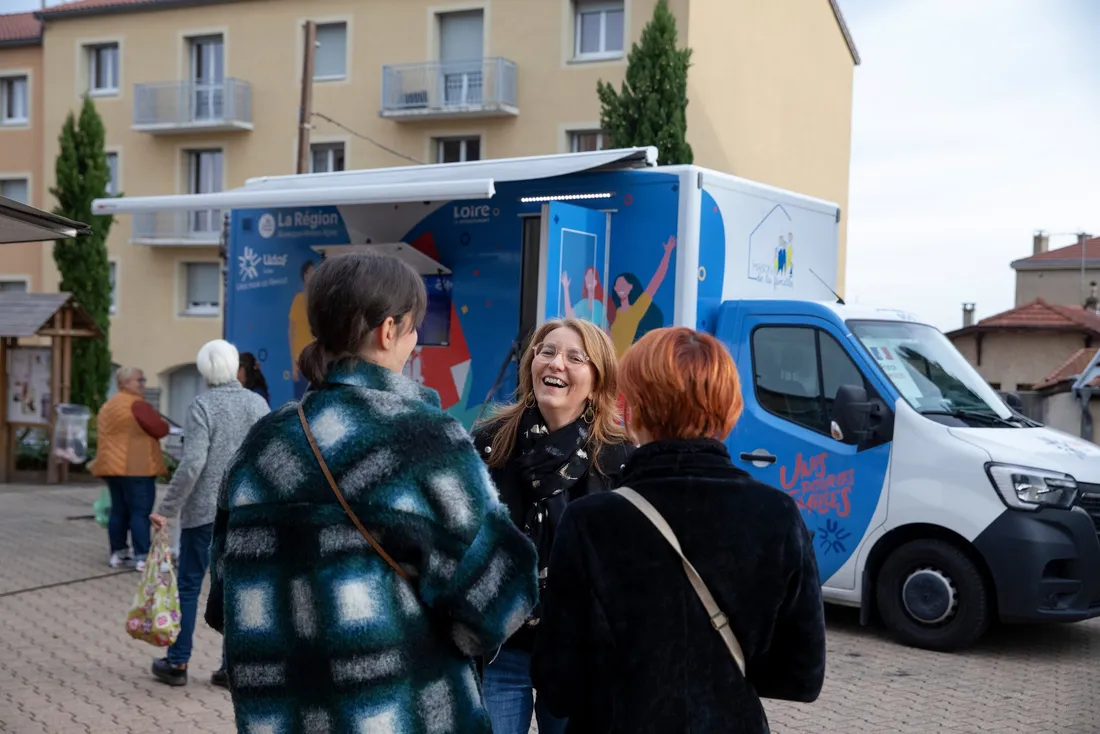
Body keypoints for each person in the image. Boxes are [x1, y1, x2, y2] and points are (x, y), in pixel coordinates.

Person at [206, 251, 539, 733]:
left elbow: (224, 604)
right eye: (413, 328)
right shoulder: (425, 441)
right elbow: (498, 601)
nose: (415, 340)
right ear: (388, 330)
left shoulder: (261, 444)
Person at [532, 327, 827, 733]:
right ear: (730, 406)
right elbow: (802, 677)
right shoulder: (777, 515)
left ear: (634, 406)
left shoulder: (591, 521)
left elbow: (557, 683)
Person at [472, 317, 635, 734]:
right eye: (546, 352)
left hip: (580, 650)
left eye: (574, 357)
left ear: (598, 381)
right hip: (502, 648)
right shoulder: (491, 442)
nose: (555, 363)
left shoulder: (619, 458)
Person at [147, 340, 270, 688]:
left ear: (204, 370)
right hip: (245, 512)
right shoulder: (258, 403)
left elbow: (192, 464)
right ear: (234, 367)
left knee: (188, 586)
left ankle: (178, 662)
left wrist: (166, 508)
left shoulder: (201, 405)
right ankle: (230, 668)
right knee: (235, 589)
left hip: (204, 512)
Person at [93, 367, 168, 572]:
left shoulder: (108, 405)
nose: (143, 384)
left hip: (111, 468)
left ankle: (118, 553)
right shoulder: (137, 405)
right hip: (137, 467)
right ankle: (142, 556)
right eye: (139, 380)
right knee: (140, 513)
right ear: (125, 382)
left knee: (118, 511)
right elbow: (160, 429)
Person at [607, 235, 677, 356]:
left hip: (624, 364)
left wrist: (667, 254)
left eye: (623, 285)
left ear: (630, 287)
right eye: (617, 285)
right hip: (611, 363)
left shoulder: (635, 311)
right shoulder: (615, 312)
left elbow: (656, 281)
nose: (620, 288)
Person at [288, 260, 315, 399]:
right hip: (300, 359)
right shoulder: (298, 300)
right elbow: (291, 332)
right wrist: (293, 364)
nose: (313, 275)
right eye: (310, 272)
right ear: (304, 275)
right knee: (300, 401)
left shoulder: (318, 300)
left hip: (315, 359)